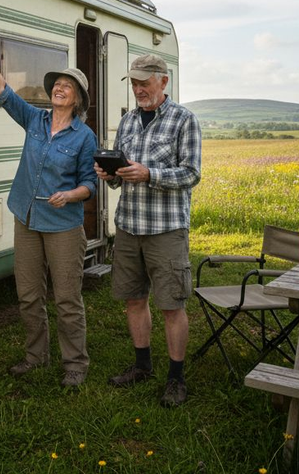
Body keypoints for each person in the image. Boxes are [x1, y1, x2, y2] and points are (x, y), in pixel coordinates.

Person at [0, 28, 97, 388]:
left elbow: (90, 184)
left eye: (67, 86)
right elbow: (3, 93)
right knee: (28, 295)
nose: (59, 88)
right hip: (26, 219)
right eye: (57, 83)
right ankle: (36, 356)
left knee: (67, 299)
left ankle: (75, 364)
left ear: (77, 99)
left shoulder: (83, 137)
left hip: (63, 225)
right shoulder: (35, 120)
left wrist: (70, 195)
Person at [96, 54, 201, 407]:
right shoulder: (126, 121)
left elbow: (191, 174)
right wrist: (110, 174)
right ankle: (142, 365)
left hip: (166, 230)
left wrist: (150, 174)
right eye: (135, 83)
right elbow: (121, 176)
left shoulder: (184, 120)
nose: (139, 89)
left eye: (145, 82)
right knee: (133, 300)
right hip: (128, 226)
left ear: (163, 81)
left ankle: (176, 377)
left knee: (171, 304)